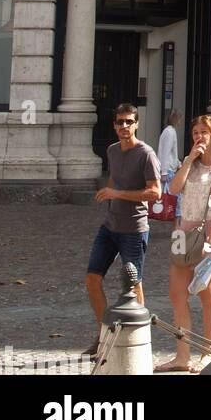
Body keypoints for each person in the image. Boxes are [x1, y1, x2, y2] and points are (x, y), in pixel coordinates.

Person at [156, 115, 211, 373]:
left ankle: (206, 352)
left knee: (206, 295)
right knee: (177, 294)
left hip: (207, 236)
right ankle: (182, 355)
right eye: (195, 132)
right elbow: (173, 188)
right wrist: (190, 159)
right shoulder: (189, 163)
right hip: (183, 234)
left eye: (204, 132)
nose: (199, 136)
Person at [84, 102, 161, 359]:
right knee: (92, 279)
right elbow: (114, 178)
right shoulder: (112, 150)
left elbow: (155, 192)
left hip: (134, 229)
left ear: (137, 124)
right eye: (120, 122)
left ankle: (137, 340)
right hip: (110, 226)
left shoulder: (146, 154)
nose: (124, 127)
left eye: (129, 122)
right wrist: (110, 194)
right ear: (114, 125)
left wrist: (117, 193)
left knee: (134, 284)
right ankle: (105, 334)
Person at [157, 109, 181, 182]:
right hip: (168, 171)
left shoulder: (169, 131)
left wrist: (178, 163)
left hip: (169, 170)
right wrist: (164, 172)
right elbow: (166, 152)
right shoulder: (169, 132)